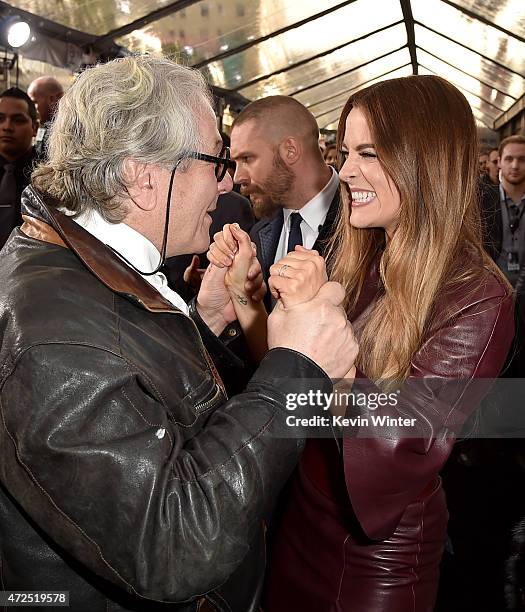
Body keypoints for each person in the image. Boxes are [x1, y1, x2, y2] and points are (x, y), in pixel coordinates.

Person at [0, 55, 358, 611]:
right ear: (145, 176)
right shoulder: (54, 338)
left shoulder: (81, 264)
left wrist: (203, 322)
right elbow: (172, 545)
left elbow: (137, 391)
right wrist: (297, 367)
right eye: (215, 160)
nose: (228, 180)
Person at [210, 75, 514, 611]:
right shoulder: (361, 257)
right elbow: (298, 390)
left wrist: (313, 319)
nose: (345, 171)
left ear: (425, 160)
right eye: (346, 151)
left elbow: (392, 455)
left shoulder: (477, 297)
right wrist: (248, 301)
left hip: (375, 557)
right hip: (298, 519)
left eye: (368, 153)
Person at [230, 95, 340, 309]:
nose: (237, 177)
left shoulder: (366, 226)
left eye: (247, 159)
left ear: (290, 150)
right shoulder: (259, 234)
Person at [0, 87, 38, 248]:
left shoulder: (48, 178)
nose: (7, 127)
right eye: (0, 118)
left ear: (35, 127)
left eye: (18, 120)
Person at [27, 75, 64, 159]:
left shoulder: (65, 132)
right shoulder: (42, 125)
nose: (30, 109)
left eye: (34, 102)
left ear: (52, 99)